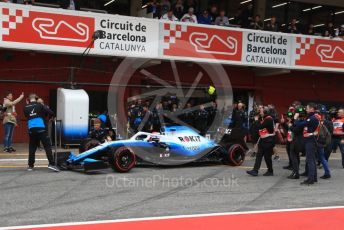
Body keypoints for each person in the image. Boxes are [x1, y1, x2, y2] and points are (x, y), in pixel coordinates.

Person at [24, 94, 59, 172]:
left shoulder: (25, 107)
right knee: (47, 146)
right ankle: (51, 164)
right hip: (41, 128)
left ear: (29, 99)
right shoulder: (39, 105)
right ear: (36, 99)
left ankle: (30, 166)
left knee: (32, 147)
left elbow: (27, 116)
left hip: (31, 129)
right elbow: (51, 112)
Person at [294, 103, 319, 185]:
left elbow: (299, 125)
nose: (306, 110)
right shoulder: (312, 117)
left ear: (312, 109)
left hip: (310, 141)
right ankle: (314, 177)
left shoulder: (312, 118)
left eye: (307, 108)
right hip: (310, 140)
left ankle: (310, 179)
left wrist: (295, 118)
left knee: (310, 160)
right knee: (312, 159)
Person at [247, 106, 275, 176]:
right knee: (259, 155)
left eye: (261, 111)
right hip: (263, 140)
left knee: (267, 157)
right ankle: (255, 170)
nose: (260, 112)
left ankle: (270, 171)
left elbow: (260, 126)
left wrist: (256, 120)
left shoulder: (269, 119)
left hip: (269, 140)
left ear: (265, 112)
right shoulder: (262, 118)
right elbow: (256, 127)